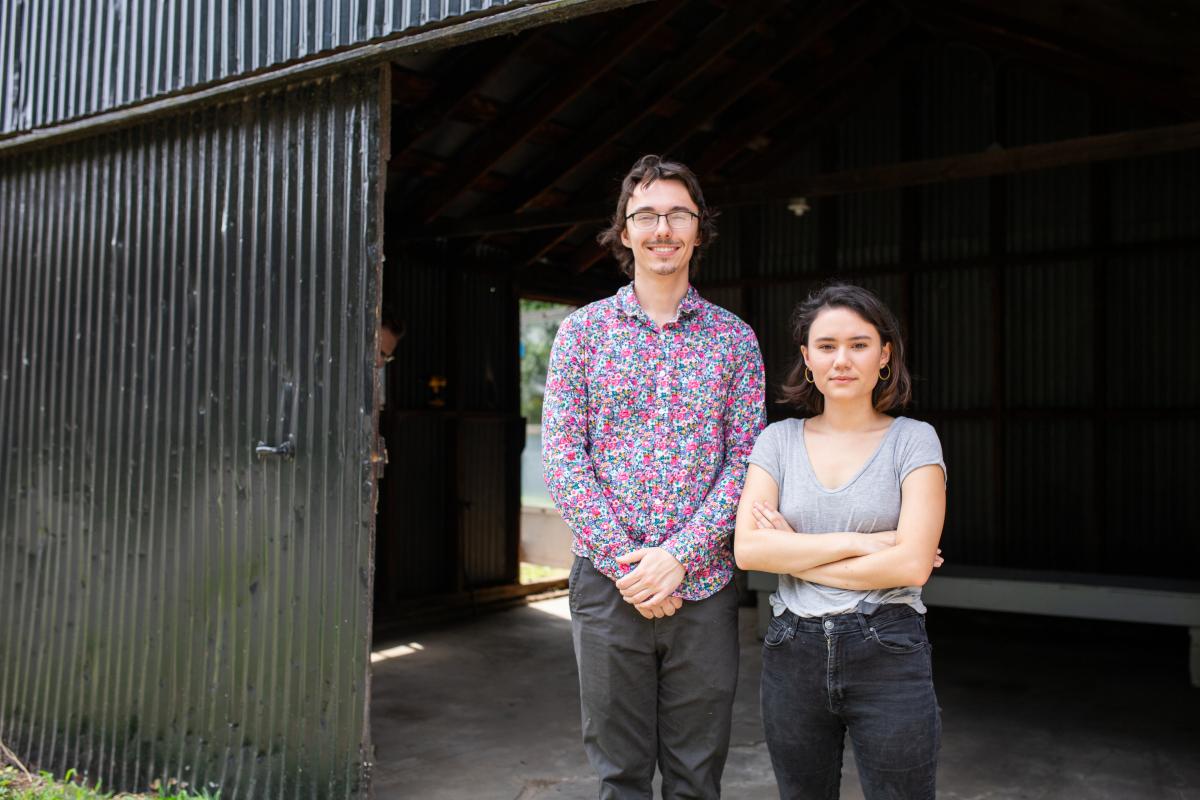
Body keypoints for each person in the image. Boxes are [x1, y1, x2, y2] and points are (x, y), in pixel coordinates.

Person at [542, 154, 765, 799]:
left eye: (677, 214)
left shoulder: (734, 341)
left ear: (699, 229)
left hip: (704, 589)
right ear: (624, 230)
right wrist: (630, 566)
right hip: (609, 588)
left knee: (698, 775)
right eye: (646, 215)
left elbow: (745, 463)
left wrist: (679, 558)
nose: (662, 228)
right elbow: (562, 455)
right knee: (620, 775)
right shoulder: (582, 334)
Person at [734, 283, 947, 800]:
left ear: (885, 355)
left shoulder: (913, 439)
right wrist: (867, 543)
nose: (842, 359)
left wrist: (798, 553)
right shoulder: (777, 441)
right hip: (792, 653)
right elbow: (749, 551)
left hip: (889, 649)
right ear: (807, 358)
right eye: (827, 346)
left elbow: (913, 567)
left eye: (859, 343)